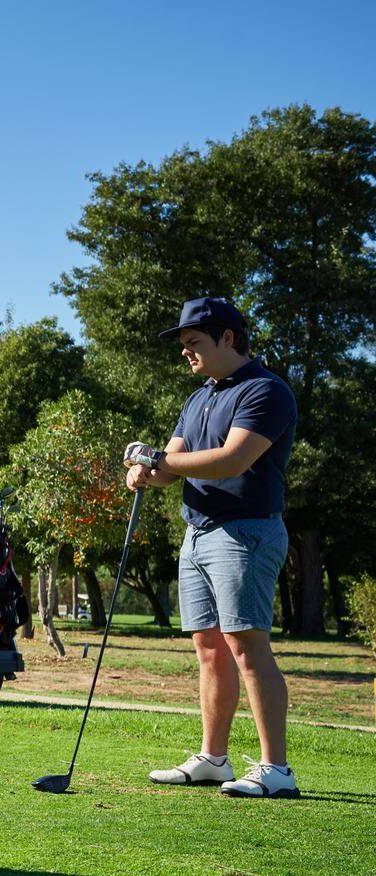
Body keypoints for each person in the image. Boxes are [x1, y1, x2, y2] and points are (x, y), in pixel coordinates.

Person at [124, 297, 299, 797]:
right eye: (183, 344)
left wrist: (161, 461)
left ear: (227, 338)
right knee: (208, 648)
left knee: (246, 644)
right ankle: (213, 759)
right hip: (198, 531)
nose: (186, 352)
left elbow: (232, 460)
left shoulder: (266, 391)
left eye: (193, 342)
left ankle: (276, 768)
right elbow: (174, 461)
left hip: (246, 530)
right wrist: (146, 469)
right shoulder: (199, 397)